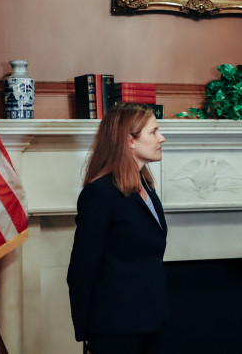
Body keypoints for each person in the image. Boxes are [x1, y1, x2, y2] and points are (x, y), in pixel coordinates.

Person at [67, 103, 167, 354]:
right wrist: (87, 336)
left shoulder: (147, 187)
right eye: (153, 132)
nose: (161, 138)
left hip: (150, 323)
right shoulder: (99, 194)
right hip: (114, 330)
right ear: (129, 140)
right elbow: (81, 270)